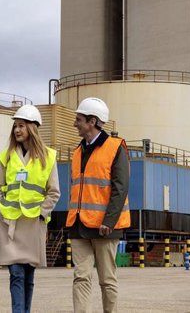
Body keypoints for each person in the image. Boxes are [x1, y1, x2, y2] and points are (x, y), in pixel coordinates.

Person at [65, 97, 130, 313]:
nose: (75, 123)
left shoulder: (115, 147)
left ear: (92, 121)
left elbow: (120, 188)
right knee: (80, 277)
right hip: (79, 224)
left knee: (107, 280)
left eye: (79, 119)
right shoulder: (77, 151)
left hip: (105, 227)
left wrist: (109, 221)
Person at [0, 105, 61, 313]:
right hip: (11, 222)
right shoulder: (6, 156)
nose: (17, 130)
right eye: (15, 126)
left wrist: (42, 213)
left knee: (29, 275)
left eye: (21, 126)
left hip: (33, 222)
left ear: (32, 128)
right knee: (16, 273)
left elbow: (54, 192)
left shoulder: (48, 157)